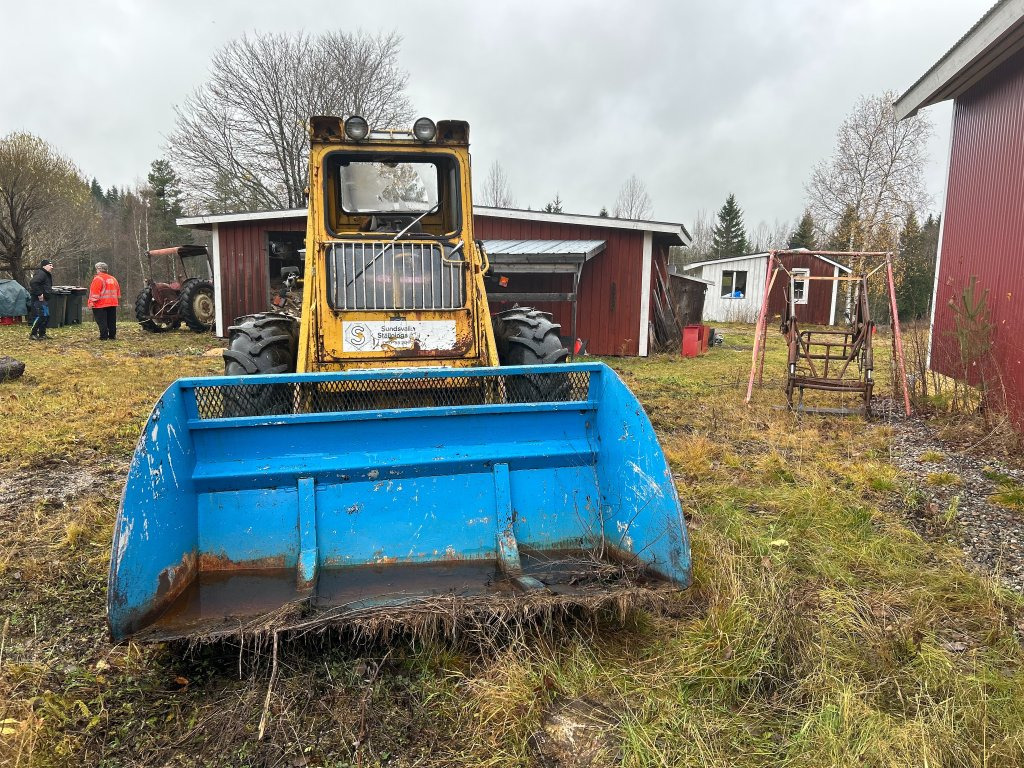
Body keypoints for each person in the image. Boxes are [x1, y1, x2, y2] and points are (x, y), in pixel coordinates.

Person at [87, 262, 121, 340]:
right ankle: (112, 336)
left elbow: (95, 293)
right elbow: (118, 292)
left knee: (102, 321)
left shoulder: (98, 279)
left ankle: (103, 336)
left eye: (96, 269)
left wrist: (91, 302)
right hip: (112, 303)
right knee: (111, 321)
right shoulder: (113, 279)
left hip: (100, 304)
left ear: (99, 269)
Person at [28, 259, 54, 340]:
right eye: (50, 265)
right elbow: (33, 282)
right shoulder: (41, 273)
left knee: (46, 316)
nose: (52, 267)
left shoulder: (46, 274)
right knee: (40, 316)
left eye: (52, 265)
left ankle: (42, 334)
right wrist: (39, 294)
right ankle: (33, 334)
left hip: (44, 300)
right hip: (37, 300)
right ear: (44, 266)